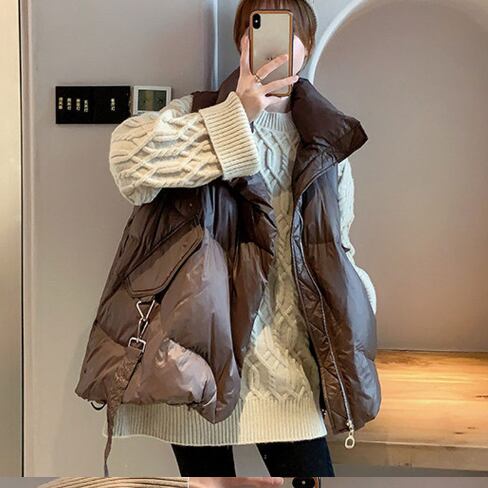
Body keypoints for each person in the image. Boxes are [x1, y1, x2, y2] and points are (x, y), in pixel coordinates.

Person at [104, 0, 376, 477]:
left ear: (307, 46)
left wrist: (363, 306)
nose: (273, 44)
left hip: (293, 373)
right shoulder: (199, 112)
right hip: (197, 366)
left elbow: (341, 248)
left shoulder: (327, 141)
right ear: (241, 41)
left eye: (287, 30)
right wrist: (236, 118)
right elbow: (128, 165)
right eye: (258, 27)